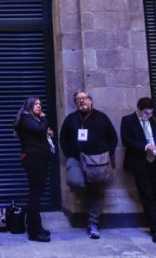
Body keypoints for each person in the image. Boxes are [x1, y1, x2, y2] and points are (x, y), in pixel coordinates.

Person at [59, 91, 118, 239]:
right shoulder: (71, 119)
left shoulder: (101, 117)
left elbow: (113, 137)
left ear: (90, 101)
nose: (81, 101)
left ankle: (93, 223)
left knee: (96, 190)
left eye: (84, 98)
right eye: (78, 99)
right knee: (75, 182)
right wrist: (69, 153)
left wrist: (107, 154)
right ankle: (87, 197)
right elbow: (63, 138)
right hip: (76, 158)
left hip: (97, 161)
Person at [121, 97, 156, 243]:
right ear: (139, 109)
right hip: (141, 163)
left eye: (150, 113)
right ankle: (154, 228)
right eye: (146, 113)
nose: (148, 116)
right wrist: (145, 146)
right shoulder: (128, 120)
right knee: (147, 195)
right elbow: (126, 140)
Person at [13, 97, 55, 243]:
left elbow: (39, 133)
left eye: (40, 104)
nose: (39, 107)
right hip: (33, 158)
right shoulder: (26, 117)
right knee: (35, 193)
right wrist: (44, 120)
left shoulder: (31, 119)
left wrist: (47, 133)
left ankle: (37, 226)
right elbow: (39, 129)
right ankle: (34, 230)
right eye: (36, 104)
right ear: (29, 105)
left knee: (36, 193)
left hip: (39, 158)